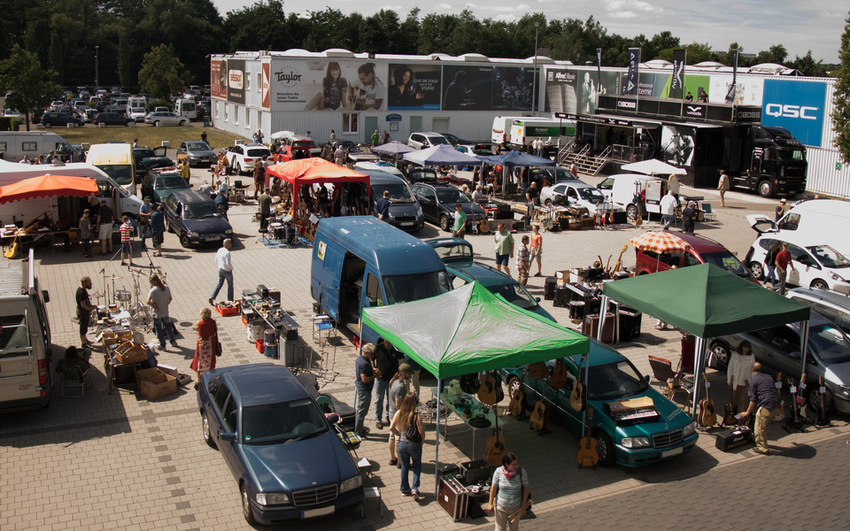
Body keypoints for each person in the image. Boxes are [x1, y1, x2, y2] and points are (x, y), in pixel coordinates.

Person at [740, 362, 781, 455]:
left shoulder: (754, 381)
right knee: (765, 426)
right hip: (776, 405)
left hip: (766, 406)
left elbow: (753, 400)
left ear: (752, 370)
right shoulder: (769, 377)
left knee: (759, 428)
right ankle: (763, 442)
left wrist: (747, 412)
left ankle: (763, 448)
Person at [389, 392, 425, 500]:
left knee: (404, 466)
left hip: (402, 444)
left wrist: (399, 434)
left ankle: (404, 489)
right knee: (417, 465)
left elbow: (391, 427)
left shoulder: (399, 413)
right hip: (414, 444)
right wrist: (421, 441)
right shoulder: (416, 416)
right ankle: (415, 488)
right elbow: (421, 432)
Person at [488, 452, 530, 530]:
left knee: (514, 529)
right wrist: (490, 503)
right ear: (507, 464)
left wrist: (524, 502)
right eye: (513, 464)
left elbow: (526, 487)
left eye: (517, 463)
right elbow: (493, 488)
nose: (516, 466)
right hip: (501, 507)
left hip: (516, 508)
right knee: (500, 529)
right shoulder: (498, 471)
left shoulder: (522, 472)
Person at [373, 338, 402, 429]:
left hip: (391, 380)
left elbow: (401, 358)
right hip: (380, 379)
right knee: (378, 399)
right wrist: (374, 368)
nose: (386, 345)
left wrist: (398, 372)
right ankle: (378, 419)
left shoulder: (395, 350)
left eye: (388, 343)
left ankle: (388, 416)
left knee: (390, 400)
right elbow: (371, 358)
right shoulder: (378, 348)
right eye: (385, 342)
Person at [387, 363, 412, 467]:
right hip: (397, 415)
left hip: (391, 412)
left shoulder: (393, 381)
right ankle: (400, 462)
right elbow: (398, 404)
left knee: (392, 437)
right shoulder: (400, 386)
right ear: (403, 373)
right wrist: (404, 416)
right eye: (409, 373)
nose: (410, 375)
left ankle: (392, 458)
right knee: (398, 439)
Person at [147, 273, 177, 351]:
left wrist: (154, 305)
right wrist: (166, 304)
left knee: (158, 329)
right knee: (168, 327)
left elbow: (147, 301)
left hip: (157, 314)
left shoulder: (153, 291)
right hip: (165, 312)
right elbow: (170, 298)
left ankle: (162, 345)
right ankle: (173, 341)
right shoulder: (166, 288)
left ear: (154, 281)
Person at [191, 307, 217, 390]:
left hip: (201, 345)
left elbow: (196, 329)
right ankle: (209, 377)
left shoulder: (199, 323)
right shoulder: (212, 322)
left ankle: (197, 379)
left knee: (198, 361)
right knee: (210, 361)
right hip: (210, 345)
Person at [354, 343, 376, 438]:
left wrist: (372, 370)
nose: (373, 356)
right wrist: (375, 376)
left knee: (361, 410)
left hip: (362, 388)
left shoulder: (360, 358)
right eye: (371, 354)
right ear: (366, 353)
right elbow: (364, 379)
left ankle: (360, 428)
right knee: (361, 411)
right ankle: (358, 432)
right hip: (364, 389)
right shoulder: (364, 364)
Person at [727, 340, 753, 414]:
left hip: (746, 380)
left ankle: (742, 413)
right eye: (744, 348)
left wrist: (752, 381)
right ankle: (733, 411)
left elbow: (753, 369)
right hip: (736, 379)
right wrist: (730, 379)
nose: (745, 350)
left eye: (747, 349)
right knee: (734, 397)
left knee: (744, 398)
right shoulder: (735, 354)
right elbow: (730, 367)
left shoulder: (751, 356)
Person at [210, 238, 234, 304]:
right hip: (227, 271)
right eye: (230, 243)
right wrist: (231, 268)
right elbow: (228, 263)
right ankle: (230, 300)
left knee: (220, 283)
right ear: (227, 244)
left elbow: (215, 259)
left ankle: (212, 296)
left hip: (220, 270)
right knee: (230, 285)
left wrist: (219, 265)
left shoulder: (220, 250)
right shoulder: (227, 253)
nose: (231, 245)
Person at [75, 276, 96, 347]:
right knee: (83, 328)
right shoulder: (81, 293)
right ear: (84, 283)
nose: (91, 284)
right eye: (89, 282)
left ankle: (85, 340)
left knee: (85, 327)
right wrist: (91, 308)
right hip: (83, 313)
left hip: (85, 312)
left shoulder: (83, 290)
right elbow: (83, 305)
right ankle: (83, 344)